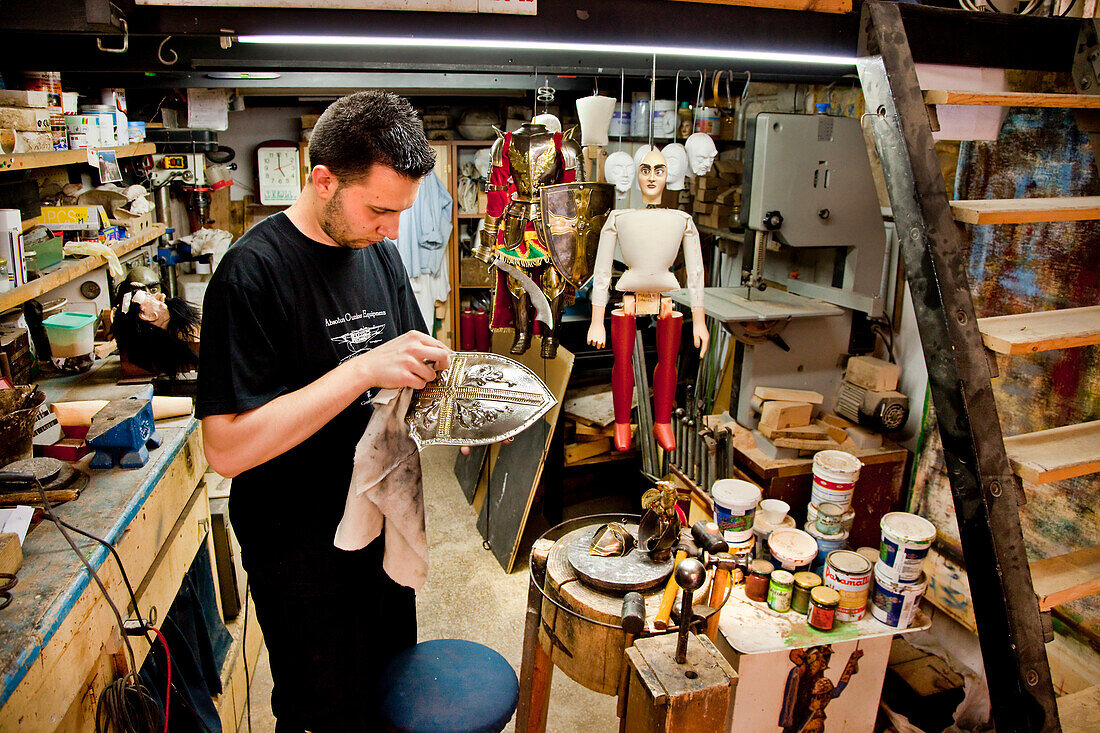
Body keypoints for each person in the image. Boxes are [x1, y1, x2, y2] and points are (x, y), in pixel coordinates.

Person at [196, 90, 451, 732]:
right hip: (300, 549)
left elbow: (407, 368)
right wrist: (360, 369)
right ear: (323, 179)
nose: (392, 229)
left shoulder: (380, 252)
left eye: (400, 213)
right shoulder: (250, 275)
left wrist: (448, 402)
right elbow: (226, 449)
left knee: (391, 697)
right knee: (326, 712)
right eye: (379, 210)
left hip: (378, 522)